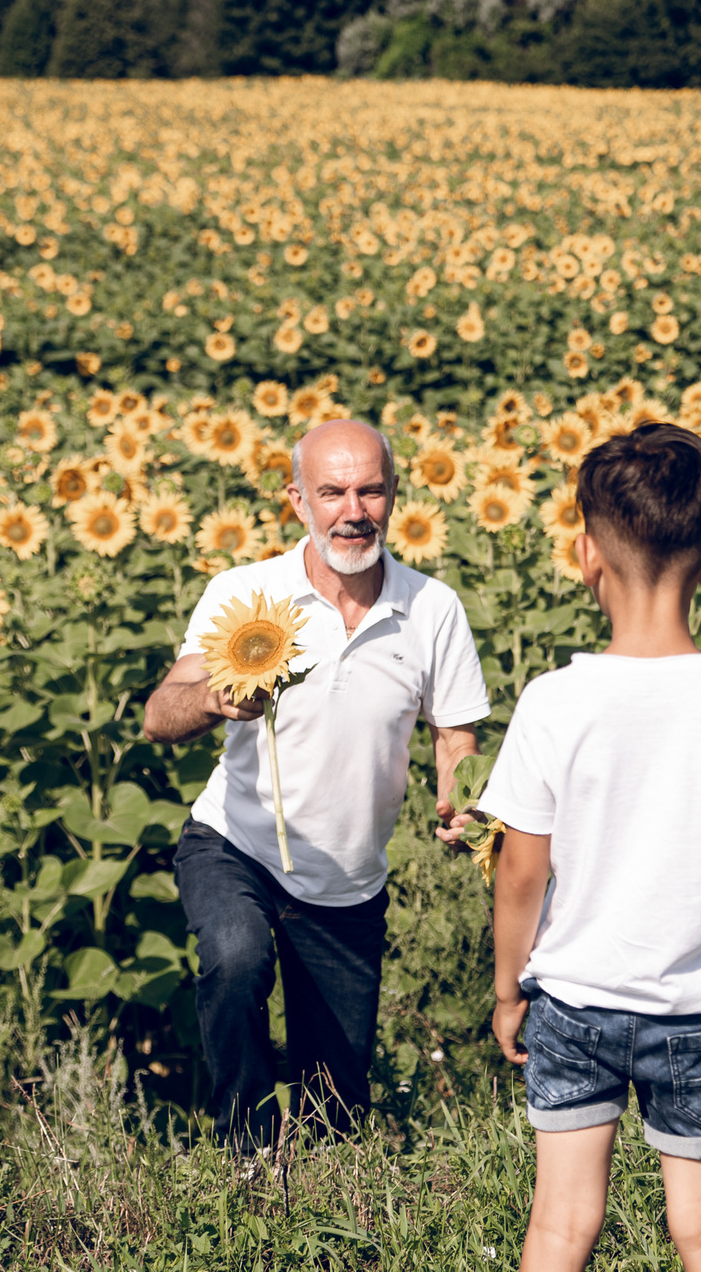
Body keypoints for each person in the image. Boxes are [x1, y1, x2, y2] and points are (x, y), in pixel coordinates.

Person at [480, 422, 701, 1272]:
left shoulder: (553, 701)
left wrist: (508, 987)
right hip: (698, 1007)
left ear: (585, 553)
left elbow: (521, 867)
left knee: (561, 1225)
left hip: (575, 1000)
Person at [143, 418, 489, 1150]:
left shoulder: (433, 609)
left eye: (369, 490)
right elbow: (160, 711)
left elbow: (454, 735)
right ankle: (246, 1152)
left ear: (394, 495)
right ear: (297, 499)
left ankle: (318, 1200)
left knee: (334, 1110)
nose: (352, 509)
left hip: (346, 883)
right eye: (332, 491)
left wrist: (459, 800)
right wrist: (212, 699)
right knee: (235, 957)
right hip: (238, 843)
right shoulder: (247, 592)